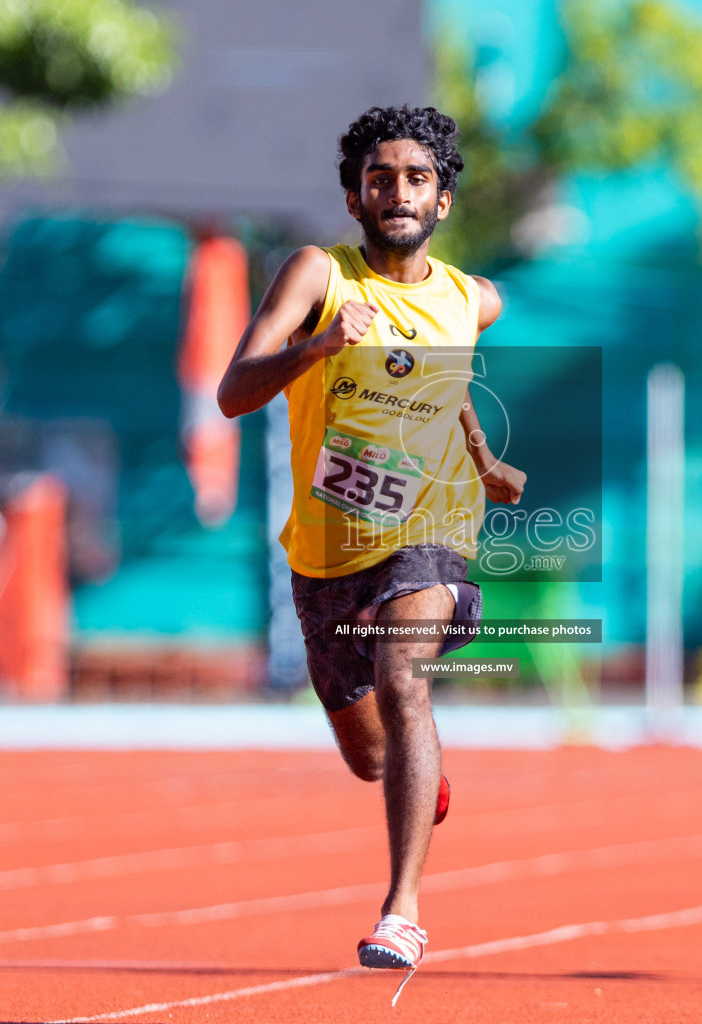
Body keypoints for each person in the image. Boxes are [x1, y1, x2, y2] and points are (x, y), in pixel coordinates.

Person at [217, 105, 526, 983]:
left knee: (405, 679)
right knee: (373, 755)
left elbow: (449, 377)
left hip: (428, 530)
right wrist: (318, 345)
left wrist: (482, 458)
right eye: (379, 178)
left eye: (417, 178)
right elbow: (234, 393)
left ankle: (403, 911)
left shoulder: (473, 298)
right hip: (324, 550)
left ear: (444, 199)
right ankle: (418, 782)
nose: (397, 192)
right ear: (353, 196)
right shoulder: (320, 274)